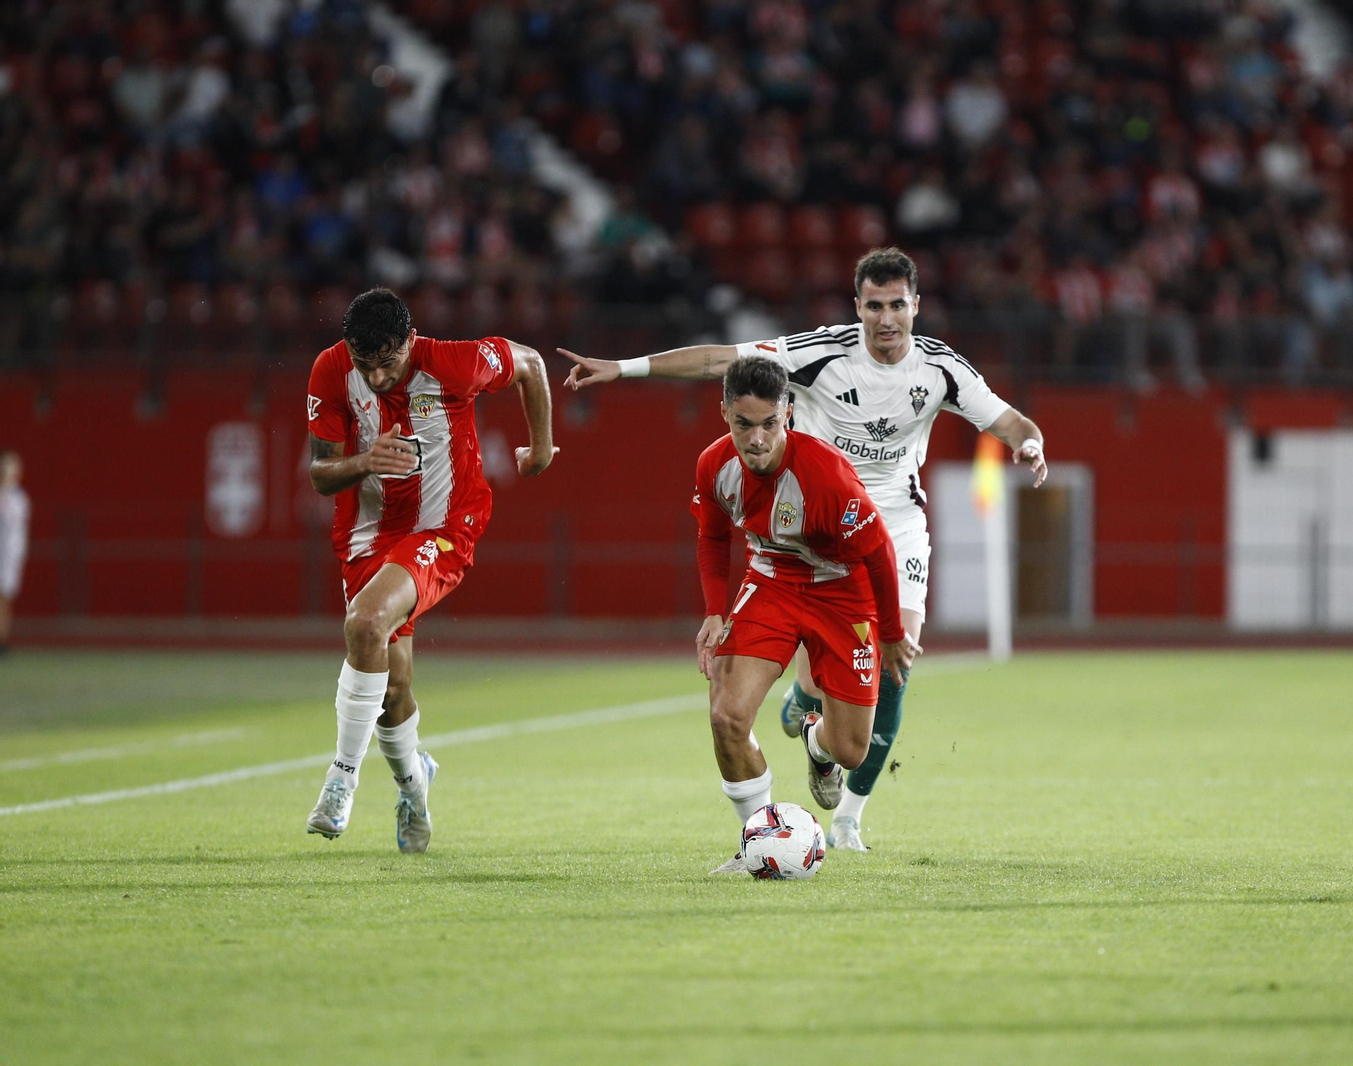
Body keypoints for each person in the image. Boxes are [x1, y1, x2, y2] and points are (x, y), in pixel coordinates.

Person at [561, 247, 1047, 851]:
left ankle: (846, 817)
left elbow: (1009, 422)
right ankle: (804, 717)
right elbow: (720, 359)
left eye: (898, 304)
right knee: (776, 692)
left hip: (889, 529)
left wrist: (1031, 446)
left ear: (916, 306)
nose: (886, 318)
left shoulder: (941, 369)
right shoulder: (822, 353)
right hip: (808, 522)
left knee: (899, 663)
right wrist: (627, 368)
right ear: (858, 306)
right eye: (874, 305)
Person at [304, 288, 557, 852]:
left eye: (387, 363)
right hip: (366, 535)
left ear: (411, 342)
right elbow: (321, 474)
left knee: (365, 623)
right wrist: (367, 459)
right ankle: (414, 785)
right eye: (363, 364)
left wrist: (540, 449)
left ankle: (341, 778)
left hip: (444, 526)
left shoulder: (452, 362)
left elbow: (531, 364)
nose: (374, 378)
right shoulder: (331, 370)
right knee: (392, 689)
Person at [692, 355, 918, 873]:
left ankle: (816, 742)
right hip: (771, 583)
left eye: (770, 424)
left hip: (844, 596)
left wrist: (889, 633)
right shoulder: (713, 466)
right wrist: (712, 610)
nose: (757, 439)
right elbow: (711, 533)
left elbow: (880, 552)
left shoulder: (824, 475)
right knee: (726, 716)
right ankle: (757, 841)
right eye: (743, 424)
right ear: (724, 412)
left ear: (787, 414)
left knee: (851, 751)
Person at [0, 450, 28, 656]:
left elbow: (19, 529)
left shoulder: (19, 498)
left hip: (10, 556)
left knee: (5, 599)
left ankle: (3, 640)